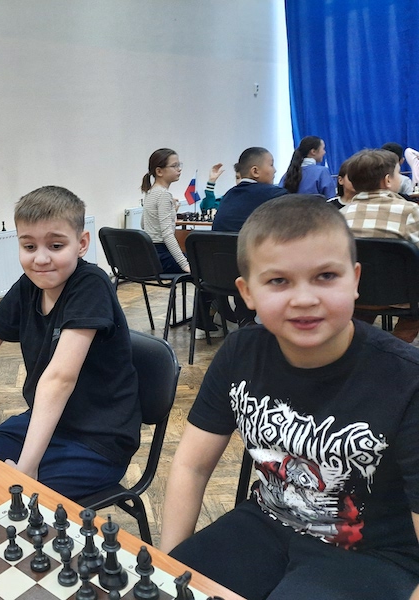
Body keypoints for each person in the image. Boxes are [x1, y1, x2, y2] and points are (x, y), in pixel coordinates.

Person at [160, 195, 419, 600]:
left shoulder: (406, 379)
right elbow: (191, 466)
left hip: (373, 555)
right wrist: (167, 569)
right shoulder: (240, 352)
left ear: (355, 280)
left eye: (326, 276)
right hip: (265, 523)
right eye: (279, 281)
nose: (304, 299)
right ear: (247, 292)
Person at [0, 186, 141, 500]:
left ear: (82, 244)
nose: (40, 258)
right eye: (29, 246)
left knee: (1, 496)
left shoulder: (91, 284)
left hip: (98, 442)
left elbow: (59, 379)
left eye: (56, 245)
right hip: (44, 422)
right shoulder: (28, 286)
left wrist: (27, 468)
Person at [340, 148, 419, 343]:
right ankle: (397, 346)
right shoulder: (410, 211)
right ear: (388, 180)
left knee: (362, 313)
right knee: (413, 317)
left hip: (354, 295)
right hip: (404, 298)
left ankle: (362, 344)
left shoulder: (339, 216)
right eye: (398, 173)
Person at [140, 148, 217, 336]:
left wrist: (171, 212)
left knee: (202, 263)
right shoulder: (163, 195)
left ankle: (203, 317)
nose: (179, 169)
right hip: (163, 255)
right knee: (208, 268)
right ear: (159, 171)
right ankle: (203, 321)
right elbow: (167, 235)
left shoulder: (151, 193)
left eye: (179, 165)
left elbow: (144, 224)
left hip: (152, 256)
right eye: (175, 166)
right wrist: (184, 264)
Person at [211, 147, 288, 232]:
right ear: (255, 171)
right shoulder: (276, 195)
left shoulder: (228, 195)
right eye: (271, 165)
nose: (275, 170)